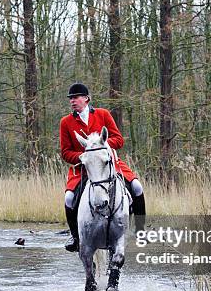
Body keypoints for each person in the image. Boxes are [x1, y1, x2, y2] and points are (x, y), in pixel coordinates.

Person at [59, 83, 146, 252]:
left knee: (137, 186)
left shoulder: (103, 114)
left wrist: (101, 147)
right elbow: (65, 152)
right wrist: (83, 156)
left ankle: (141, 229)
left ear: (86, 99)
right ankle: (75, 237)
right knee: (69, 198)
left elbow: (118, 140)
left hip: (109, 164)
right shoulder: (66, 122)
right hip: (83, 168)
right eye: (71, 99)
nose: (72, 101)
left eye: (76, 97)